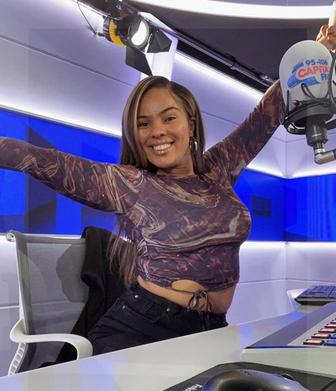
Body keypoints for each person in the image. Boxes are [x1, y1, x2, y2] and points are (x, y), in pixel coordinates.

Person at [1, 25, 335, 355]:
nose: (156, 132)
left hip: (212, 328)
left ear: (190, 124)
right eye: (143, 124)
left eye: (168, 118)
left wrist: (318, 53)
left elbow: (264, 117)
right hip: (141, 330)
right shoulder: (130, 183)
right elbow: (38, 159)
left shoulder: (217, 168)